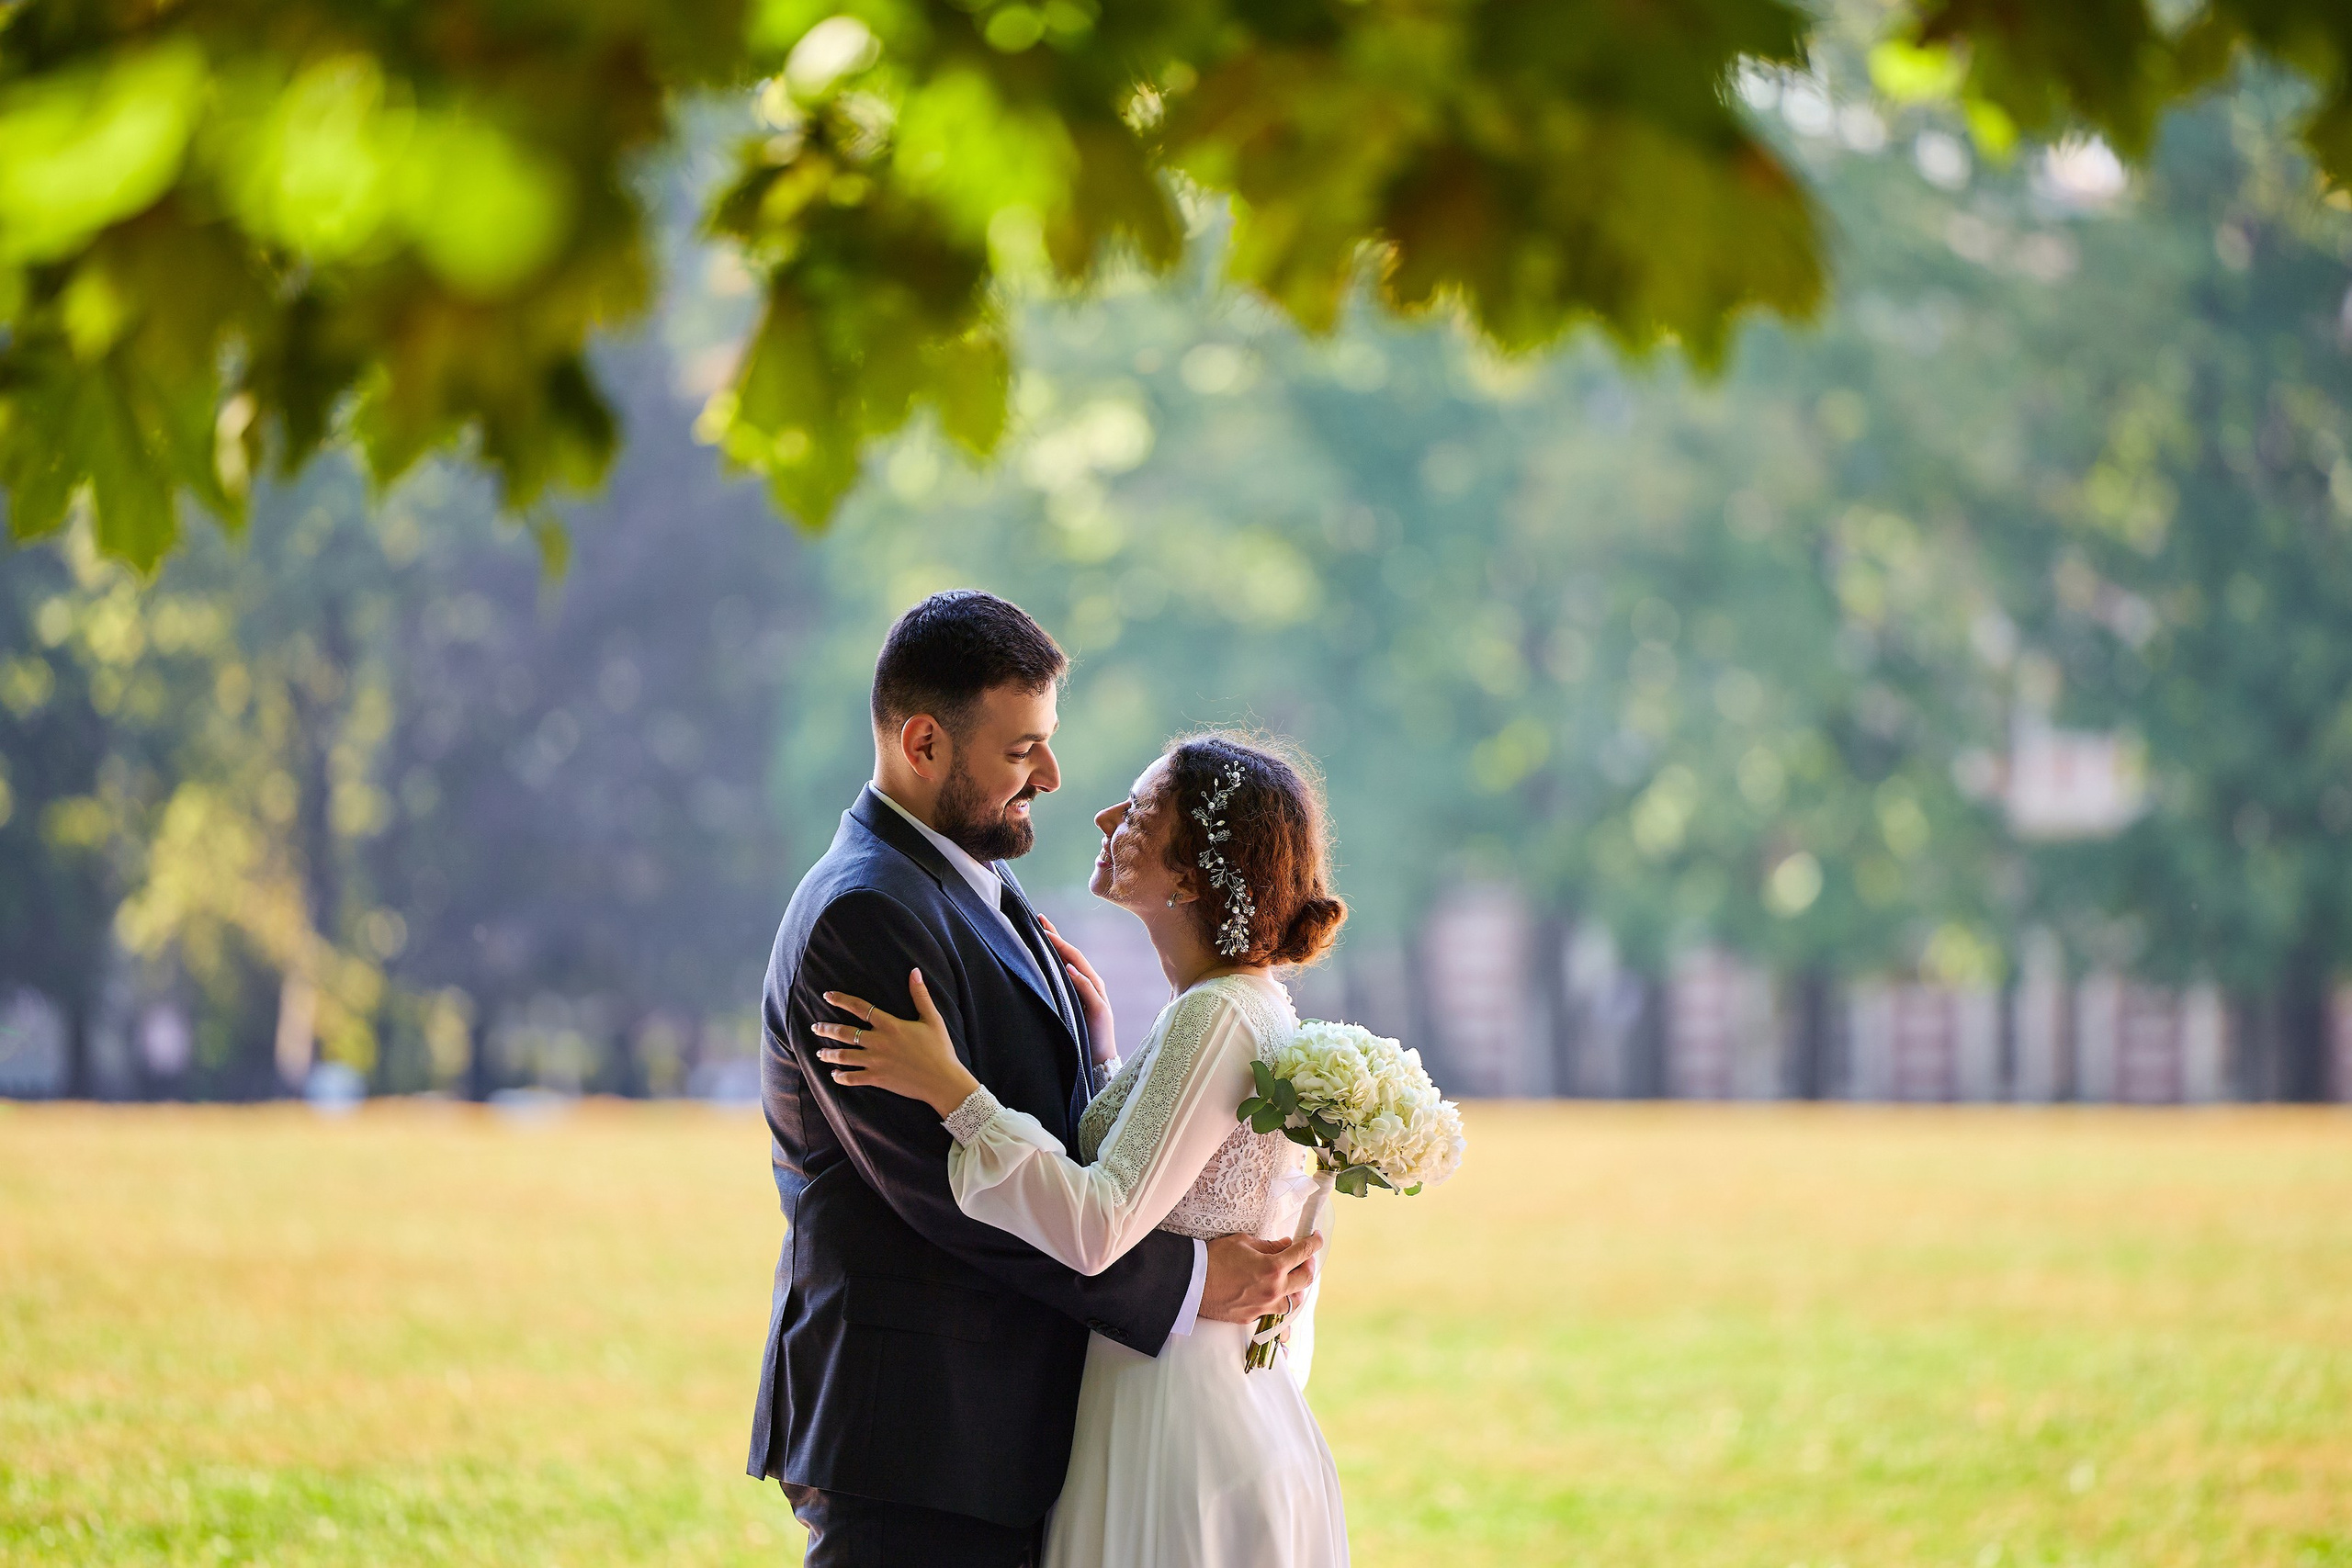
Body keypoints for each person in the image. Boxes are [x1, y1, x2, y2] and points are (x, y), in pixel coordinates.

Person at [749, 591, 1322, 1567]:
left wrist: (1092, 1059)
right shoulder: (865, 916)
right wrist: (1186, 1284)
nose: (1052, 777)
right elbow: (946, 1193)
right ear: (923, 744)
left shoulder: (970, 875)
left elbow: (1047, 1137)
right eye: (1022, 751)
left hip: (1002, 1434)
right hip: (920, 1435)